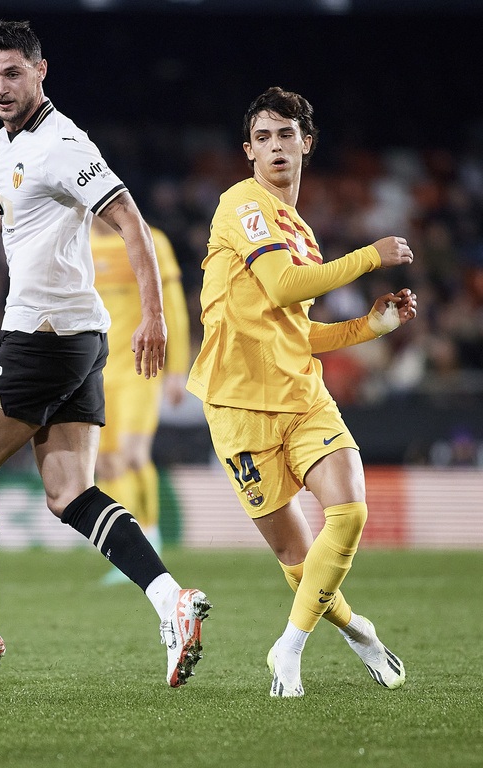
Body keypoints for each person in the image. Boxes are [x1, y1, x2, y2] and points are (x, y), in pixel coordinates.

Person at [0, 20, 210, 688]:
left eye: (13, 73)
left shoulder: (66, 143)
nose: (1, 88)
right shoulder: (10, 142)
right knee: (70, 493)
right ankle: (172, 601)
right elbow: (8, 208)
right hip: (75, 340)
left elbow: (128, 218)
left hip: (41, 338)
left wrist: (154, 317)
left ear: (42, 70)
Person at [187, 86, 415, 697]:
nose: (275, 146)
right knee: (298, 560)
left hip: (304, 398)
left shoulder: (304, 235)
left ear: (306, 144)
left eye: (285, 134)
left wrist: (373, 326)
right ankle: (356, 630)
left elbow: (297, 332)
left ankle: (287, 649)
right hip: (236, 408)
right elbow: (285, 288)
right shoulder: (241, 205)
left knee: (350, 513)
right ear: (248, 152)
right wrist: (370, 255)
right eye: (263, 137)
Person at [91, 218, 189, 575]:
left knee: (131, 454)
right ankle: (126, 549)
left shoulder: (150, 240)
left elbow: (172, 307)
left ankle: (149, 535)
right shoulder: (77, 242)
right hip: (95, 372)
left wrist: (177, 369)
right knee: (105, 463)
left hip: (140, 367)